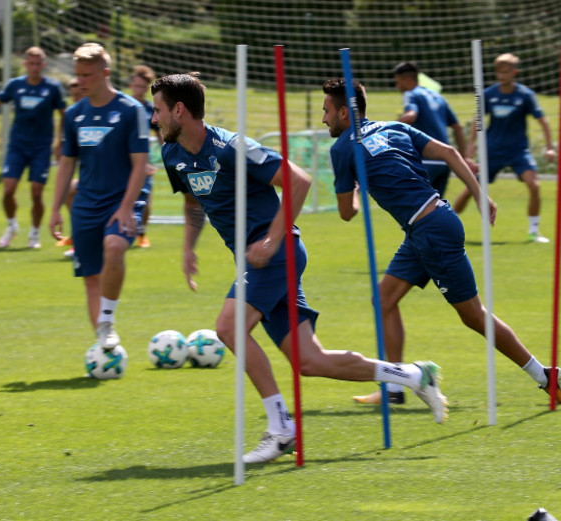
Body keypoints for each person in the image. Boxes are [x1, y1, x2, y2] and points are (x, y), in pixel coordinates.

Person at [151, 72, 448, 464]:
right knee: (311, 361)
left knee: (228, 327)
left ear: (179, 109)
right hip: (257, 261)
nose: (154, 119)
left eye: (157, 110)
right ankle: (413, 376)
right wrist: (189, 249)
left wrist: (272, 240)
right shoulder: (173, 154)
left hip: (280, 252)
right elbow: (193, 201)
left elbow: (299, 180)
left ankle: (280, 428)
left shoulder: (230, 147)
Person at [321, 77, 561, 408]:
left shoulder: (341, 149)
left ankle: (545, 375)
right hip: (431, 222)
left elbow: (347, 213)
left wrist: (351, 185)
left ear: (343, 113)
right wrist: (481, 196)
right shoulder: (393, 127)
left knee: (474, 316)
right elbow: (450, 152)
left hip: (431, 232)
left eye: (326, 111)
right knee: (383, 299)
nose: (323, 119)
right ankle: (394, 386)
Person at [49, 43, 149, 351]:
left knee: (115, 245)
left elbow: (140, 165)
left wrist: (125, 207)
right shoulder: (75, 114)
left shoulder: (131, 110)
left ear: (105, 73)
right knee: (91, 278)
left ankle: (107, 320)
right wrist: (55, 209)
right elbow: (67, 163)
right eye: (77, 75)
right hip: (86, 205)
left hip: (123, 199)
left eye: (87, 75)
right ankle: (105, 348)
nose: (80, 82)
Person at [451, 53, 555, 243]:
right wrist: (470, 148)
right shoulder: (488, 95)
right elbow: (478, 121)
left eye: (505, 72)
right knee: (470, 190)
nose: (501, 76)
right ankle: (446, 227)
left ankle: (533, 232)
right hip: (492, 151)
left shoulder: (525, 95)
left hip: (518, 152)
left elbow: (543, 122)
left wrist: (550, 147)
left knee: (534, 185)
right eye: (499, 72)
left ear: (514, 72)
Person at [0, 46, 66, 249]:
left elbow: (64, 115)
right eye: (31, 63)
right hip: (17, 146)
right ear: (25, 64)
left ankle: (34, 233)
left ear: (44, 65)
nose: (34, 67)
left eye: (38, 63)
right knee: (8, 189)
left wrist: (60, 141)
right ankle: (12, 226)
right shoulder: (15, 85)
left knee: (37, 192)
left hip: (40, 147)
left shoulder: (52, 88)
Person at [392, 61, 474, 198]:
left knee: (414, 205)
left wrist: (386, 127)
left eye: (398, 82)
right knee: (435, 210)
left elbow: (411, 116)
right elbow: (457, 127)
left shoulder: (410, 94)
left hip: (426, 162)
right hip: (445, 163)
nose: (397, 86)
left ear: (407, 79)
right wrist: (463, 157)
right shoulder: (438, 97)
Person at [128, 64, 163, 248]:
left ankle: (142, 233)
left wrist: (168, 153)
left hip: (143, 161)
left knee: (145, 197)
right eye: (136, 85)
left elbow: (160, 135)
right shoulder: (123, 106)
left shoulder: (150, 110)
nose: (139, 90)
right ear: (131, 85)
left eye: (143, 87)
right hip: (123, 160)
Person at [56, 78, 84, 258]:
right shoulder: (72, 114)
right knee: (70, 192)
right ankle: (78, 237)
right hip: (86, 173)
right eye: (72, 94)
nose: (75, 97)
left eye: (78, 94)